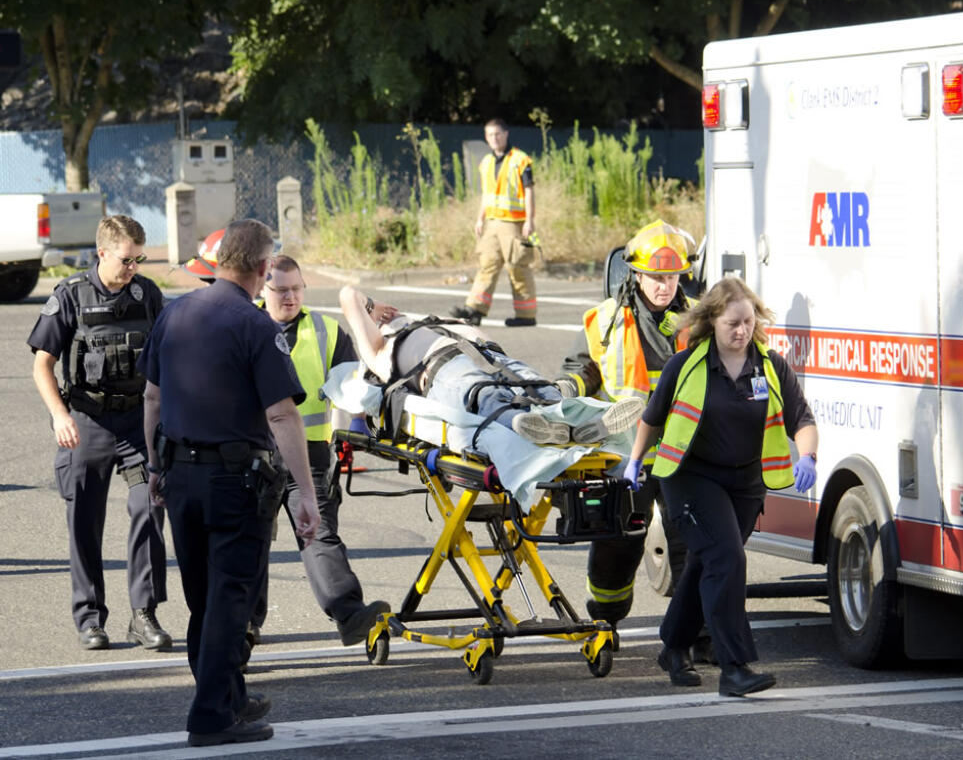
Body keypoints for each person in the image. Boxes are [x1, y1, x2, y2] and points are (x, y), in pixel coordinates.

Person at [139, 219, 321, 748]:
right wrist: (306, 495)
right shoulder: (256, 325)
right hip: (235, 482)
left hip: (178, 476)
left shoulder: (174, 313)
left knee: (205, 597)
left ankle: (228, 697)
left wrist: (154, 467)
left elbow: (151, 399)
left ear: (216, 263)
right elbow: (284, 417)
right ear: (264, 269)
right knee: (230, 597)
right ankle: (211, 716)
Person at [623, 276, 818, 697]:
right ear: (712, 321)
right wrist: (636, 460)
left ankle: (674, 645)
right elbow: (652, 418)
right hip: (690, 476)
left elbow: (802, 418)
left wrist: (808, 456)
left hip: (745, 483)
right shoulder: (686, 365)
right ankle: (734, 667)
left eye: (748, 322)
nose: (741, 330)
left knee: (707, 563)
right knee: (727, 558)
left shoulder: (770, 366)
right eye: (733, 323)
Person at [27, 214, 172, 652]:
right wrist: (59, 415)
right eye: (127, 260)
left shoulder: (147, 295)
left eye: (139, 259)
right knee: (84, 521)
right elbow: (42, 365)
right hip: (87, 422)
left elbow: (169, 355)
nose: (133, 268)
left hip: (135, 425)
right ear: (102, 253)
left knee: (149, 506)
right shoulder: (70, 295)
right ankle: (90, 618)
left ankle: (143, 614)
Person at [555, 220, 697, 636]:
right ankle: (605, 617)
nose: (664, 286)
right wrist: (564, 389)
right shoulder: (607, 321)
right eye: (655, 277)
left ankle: (699, 636)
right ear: (635, 274)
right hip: (625, 457)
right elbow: (583, 367)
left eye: (671, 277)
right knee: (618, 545)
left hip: (683, 458)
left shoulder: (697, 321)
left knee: (693, 550)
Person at [248, 255, 390, 648]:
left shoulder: (327, 331)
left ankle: (349, 615)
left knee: (320, 535)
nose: (290, 297)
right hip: (254, 453)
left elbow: (352, 388)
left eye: (297, 288)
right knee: (250, 541)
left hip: (309, 456)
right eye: (281, 289)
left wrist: (363, 423)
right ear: (263, 288)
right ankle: (242, 627)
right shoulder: (245, 325)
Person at [341, 285, 640, 444]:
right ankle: (521, 425)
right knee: (484, 396)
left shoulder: (426, 324)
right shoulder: (380, 353)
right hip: (444, 370)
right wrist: (373, 307)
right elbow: (347, 295)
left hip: (492, 358)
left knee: (541, 390)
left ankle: (587, 424)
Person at [451, 117, 538, 327]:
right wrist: (480, 218)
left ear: (506, 134)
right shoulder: (486, 163)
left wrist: (530, 220)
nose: (494, 138)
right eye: (490, 135)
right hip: (492, 222)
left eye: (498, 134)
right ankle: (474, 309)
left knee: (517, 266)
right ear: (486, 138)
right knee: (487, 265)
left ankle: (526, 315)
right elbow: (486, 195)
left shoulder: (520, 160)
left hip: (513, 223)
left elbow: (529, 191)